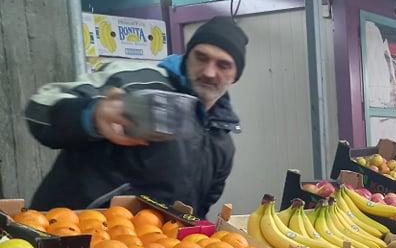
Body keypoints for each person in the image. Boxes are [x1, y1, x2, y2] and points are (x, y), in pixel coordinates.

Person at [25, 16, 248, 218]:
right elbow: (39, 110)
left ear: (235, 75)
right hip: (69, 232)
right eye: (201, 57)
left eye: (223, 65)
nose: (209, 72)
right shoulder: (136, 83)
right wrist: (92, 114)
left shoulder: (222, 142)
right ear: (188, 56)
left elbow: (194, 214)